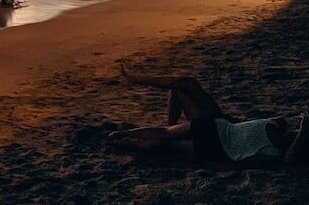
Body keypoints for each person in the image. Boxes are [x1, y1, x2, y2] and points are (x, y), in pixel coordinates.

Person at [110, 63, 309, 165]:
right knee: (185, 87)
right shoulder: (281, 130)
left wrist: (305, 127)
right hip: (223, 125)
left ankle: (128, 138)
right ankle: (136, 85)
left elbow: (290, 159)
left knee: (166, 138)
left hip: (217, 142)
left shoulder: (280, 152)